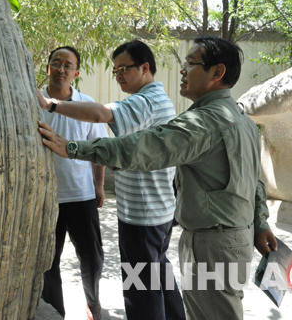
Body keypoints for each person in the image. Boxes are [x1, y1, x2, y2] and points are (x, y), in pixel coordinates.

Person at [38, 36, 277, 320]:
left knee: (144, 294)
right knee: (169, 286)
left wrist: (72, 147)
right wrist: (260, 223)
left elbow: (139, 149)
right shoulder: (240, 117)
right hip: (215, 233)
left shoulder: (199, 121)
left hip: (174, 228)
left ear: (217, 72)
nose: (183, 70)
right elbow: (254, 178)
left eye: (191, 63)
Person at [36, 40, 186, 320]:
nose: (118, 74)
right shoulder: (156, 99)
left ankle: (98, 307)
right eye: (115, 69)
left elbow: (101, 115)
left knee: (141, 292)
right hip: (157, 212)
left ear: (144, 68)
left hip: (142, 217)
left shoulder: (145, 102)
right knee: (160, 279)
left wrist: (52, 106)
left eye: (123, 69)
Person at [39, 46, 109, 320]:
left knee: (92, 259)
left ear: (76, 73)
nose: (61, 69)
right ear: (48, 68)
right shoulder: (33, 101)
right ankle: (55, 312)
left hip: (81, 195)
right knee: (48, 262)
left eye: (68, 65)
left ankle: (94, 304)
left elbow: (98, 147)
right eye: (56, 63)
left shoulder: (85, 104)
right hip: (46, 199)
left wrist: (99, 185)